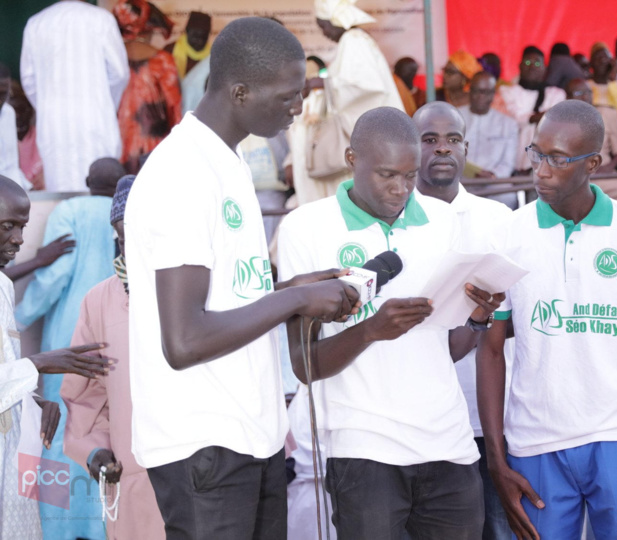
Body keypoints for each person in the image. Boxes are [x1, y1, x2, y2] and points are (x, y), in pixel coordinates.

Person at [124, 18, 359, 539]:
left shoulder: (225, 162)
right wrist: (295, 297)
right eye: (288, 95)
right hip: (203, 445)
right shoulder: (182, 173)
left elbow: (228, 300)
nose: (298, 108)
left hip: (251, 435)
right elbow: (184, 340)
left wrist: (293, 292)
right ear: (239, 91)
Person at [478, 100, 617, 539]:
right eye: (536, 154)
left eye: (558, 159)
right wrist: (496, 456)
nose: (541, 170)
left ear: (593, 164)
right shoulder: (508, 235)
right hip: (535, 443)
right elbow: (491, 349)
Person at [278, 106, 498, 539]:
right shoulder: (305, 228)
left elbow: (447, 348)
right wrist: (371, 330)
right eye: (387, 176)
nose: (401, 189)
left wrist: (476, 318)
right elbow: (306, 365)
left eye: (410, 175)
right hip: (363, 450)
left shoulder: (443, 220)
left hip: (449, 445)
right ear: (352, 159)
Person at [413, 101, 515, 539]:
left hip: (490, 418)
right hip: (419, 420)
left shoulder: (499, 220)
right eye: (429, 140)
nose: (442, 149)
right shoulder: (395, 223)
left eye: (452, 139)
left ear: (466, 148)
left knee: (499, 528)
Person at [0, 174, 110, 540]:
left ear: (89, 180)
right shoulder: (120, 211)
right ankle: (95, 527)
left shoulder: (71, 211)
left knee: (57, 440)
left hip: (68, 340)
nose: (18, 239)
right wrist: (40, 363)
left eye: (22, 228)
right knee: (93, 434)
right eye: (9, 227)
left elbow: (55, 278)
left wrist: (27, 315)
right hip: (100, 346)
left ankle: (60, 528)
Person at [60, 176, 165, 540]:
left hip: (204, 474)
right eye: (122, 235)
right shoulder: (99, 301)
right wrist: (95, 451)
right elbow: (86, 395)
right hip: (133, 481)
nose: (130, 244)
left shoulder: (199, 288)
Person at [293, 0, 404, 204]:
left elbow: (365, 86)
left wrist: (320, 83)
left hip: (375, 140)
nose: (323, 32)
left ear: (335, 21)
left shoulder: (353, 40)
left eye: (323, 25)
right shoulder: (353, 40)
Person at [20, 0, 129, 193]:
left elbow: (28, 80)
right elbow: (119, 73)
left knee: (60, 192)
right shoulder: (101, 20)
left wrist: (46, 106)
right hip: (96, 120)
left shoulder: (36, 24)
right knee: (100, 192)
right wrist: (104, 103)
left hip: (54, 126)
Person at [114, 0, 182, 174]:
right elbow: (175, 110)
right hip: (156, 146)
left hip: (117, 144)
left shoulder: (111, 60)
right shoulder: (163, 61)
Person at [566, 78, 617, 212]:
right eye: (578, 93)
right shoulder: (556, 120)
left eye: (588, 92)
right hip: (571, 178)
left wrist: (608, 167)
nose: (585, 96)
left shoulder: (608, 114)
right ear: (567, 97)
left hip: (603, 174)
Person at [492, 46, 566, 173]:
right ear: (519, 66)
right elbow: (513, 121)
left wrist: (530, 119)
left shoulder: (556, 94)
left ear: (545, 69)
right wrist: (539, 117)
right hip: (511, 165)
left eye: (537, 63)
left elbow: (556, 121)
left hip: (549, 166)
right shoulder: (507, 92)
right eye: (527, 62)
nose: (532, 66)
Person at [459, 72, 519, 208]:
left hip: (494, 184)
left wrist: (492, 175)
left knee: (508, 197)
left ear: (493, 94)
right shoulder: (454, 116)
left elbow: (508, 163)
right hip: (460, 180)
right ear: (469, 91)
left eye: (486, 92)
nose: (481, 97)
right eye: (477, 91)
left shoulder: (508, 124)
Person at [0, 64, 31, 191]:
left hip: (8, 189)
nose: (0, 99)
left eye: (4, 93)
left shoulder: (9, 113)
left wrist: (25, 186)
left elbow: (11, 164)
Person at [587, 43, 617, 126]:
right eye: (598, 58)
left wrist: (613, 78)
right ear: (591, 63)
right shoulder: (586, 86)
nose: (602, 61)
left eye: (605, 57)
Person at [165, 11, 212, 79]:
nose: (200, 41)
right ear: (187, 31)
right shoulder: (169, 51)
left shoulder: (213, 57)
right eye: (195, 36)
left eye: (204, 37)